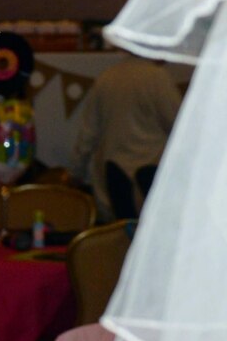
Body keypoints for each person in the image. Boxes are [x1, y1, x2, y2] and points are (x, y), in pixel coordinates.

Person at [68, 51, 181, 219]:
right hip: (149, 184)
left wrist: (75, 173)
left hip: (111, 184)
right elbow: (180, 126)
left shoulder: (107, 77)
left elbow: (88, 134)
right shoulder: (158, 78)